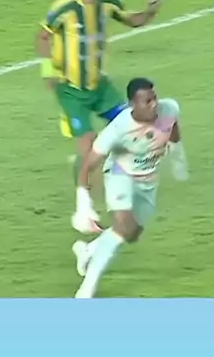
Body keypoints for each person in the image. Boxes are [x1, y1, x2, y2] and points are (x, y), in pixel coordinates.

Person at [37, 0, 162, 184]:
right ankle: (85, 191)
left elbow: (131, 20)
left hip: (100, 86)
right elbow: (43, 36)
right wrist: (49, 71)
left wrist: (149, 13)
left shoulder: (109, 2)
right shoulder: (65, 8)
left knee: (132, 125)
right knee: (88, 141)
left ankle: (121, 170)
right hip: (71, 89)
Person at [71, 77, 189, 298]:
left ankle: (89, 250)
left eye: (155, 98)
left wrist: (178, 158)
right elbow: (88, 165)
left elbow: (172, 127)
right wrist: (83, 201)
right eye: (148, 101)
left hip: (148, 180)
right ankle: (88, 287)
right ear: (133, 104)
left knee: (131, 234)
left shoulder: (168, 109)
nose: (155, 104)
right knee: (122, 228)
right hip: (120, 175)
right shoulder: (119, 129)